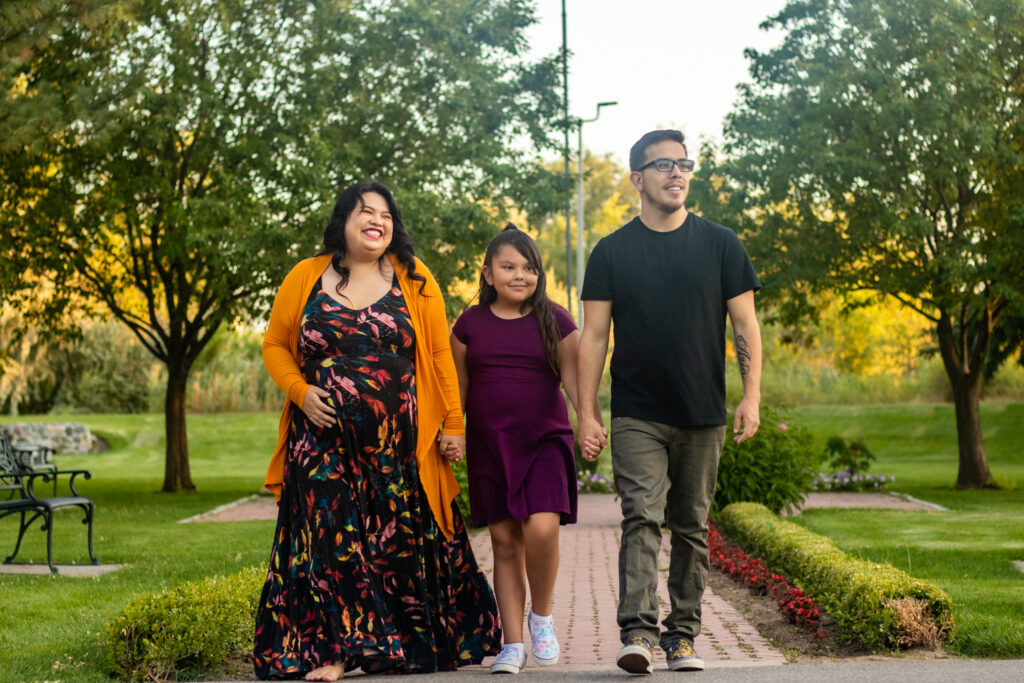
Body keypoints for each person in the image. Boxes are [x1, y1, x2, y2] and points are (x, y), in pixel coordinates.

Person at [253, 180, 501, 681]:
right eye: (365, 212)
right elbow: (276, 344)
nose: (377, 220)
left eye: (386, 214)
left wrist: (453, 422)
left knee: (395, 541)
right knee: (331, 537)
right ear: (343, 221)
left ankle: (397, 646)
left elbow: (435, 354)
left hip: (398, 445)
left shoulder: (414, 277)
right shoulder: (305, 275)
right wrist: (301, 392)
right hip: (320, 437)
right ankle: (335, 652)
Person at [577, 130, 763, 675]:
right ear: (637, 179)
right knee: (641, 518)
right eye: (662, 165)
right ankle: (637, 631)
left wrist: (751, 397)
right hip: (637, 411)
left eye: (683, 164)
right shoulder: (611, 251)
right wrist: (587, 412)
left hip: (702, 410)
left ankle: (682, 637)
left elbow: (746, 324)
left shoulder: (721, 243)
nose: (676, 173)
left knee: (692, 527)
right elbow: (593, 337)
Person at [449, 224, 582, 675]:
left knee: (542, 528)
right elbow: (459, 394)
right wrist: (453, 433)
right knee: (505, 541)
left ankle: (540, 617)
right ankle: (512, 643)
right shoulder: (468, 326)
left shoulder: (557, 319)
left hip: (545, 440)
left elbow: (576, 383)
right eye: (509, 267)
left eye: (529, 268)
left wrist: (590, 423)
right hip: (490, 444)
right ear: (488, 273)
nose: (520, 275)